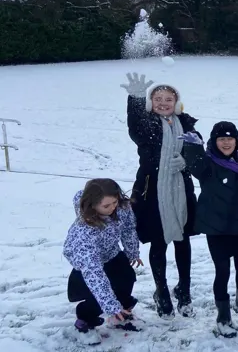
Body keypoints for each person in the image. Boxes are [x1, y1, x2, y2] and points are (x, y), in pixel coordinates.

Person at [121, 72, 199, 318]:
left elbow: (198, 148)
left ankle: (184, 289)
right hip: (152, 192)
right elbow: (135, 128)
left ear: (176, 102)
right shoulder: (148, 124)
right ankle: (161, 291)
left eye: (168, 99)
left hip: (181, 191)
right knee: (159, 242)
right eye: (158, 99)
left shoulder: (185, 123)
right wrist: (135, 99)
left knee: (183, 240)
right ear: (151, 102)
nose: (163, 103)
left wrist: (186, 160)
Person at [181, 122, 238, 338]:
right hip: (217, 228)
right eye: (221, 139)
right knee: (223, 272)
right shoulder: (207, 162)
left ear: (236, 140)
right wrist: (193, 148)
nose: (226, 143)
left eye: (230, 138)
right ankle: (223, 317)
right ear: (214, 141)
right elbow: (196, 167)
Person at [64, 179, 143, 345]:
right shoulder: (84, 232)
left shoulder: (121, 207)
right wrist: (111, 305)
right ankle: (84, 321)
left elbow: (128, 228)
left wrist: (132, 251)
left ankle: (120, 315)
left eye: (114, 202)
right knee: (97, 292)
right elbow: (95, 274)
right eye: (106, 206)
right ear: (92, 205)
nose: (113, 207)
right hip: (89, 262)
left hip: (111, 252)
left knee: (127, 278)